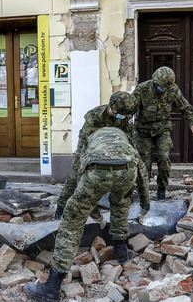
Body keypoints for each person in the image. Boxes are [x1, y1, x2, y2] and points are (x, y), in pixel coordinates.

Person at [25, 127, 150, 302]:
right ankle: (121, 253)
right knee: (121, 204)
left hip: (96, 169)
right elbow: (142, 172)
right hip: (127, 170)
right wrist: (145, 203)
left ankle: (51, 289)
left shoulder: (90, 139)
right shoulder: (126, 140)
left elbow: (78, 176)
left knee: (72, 223)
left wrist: (86, 210)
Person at [54, 91, 138, 220]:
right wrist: (82, 161)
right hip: (91, 145)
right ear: (113, 107)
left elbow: (129, 138)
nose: (123, 116)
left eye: (125, 114)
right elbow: (86, 143)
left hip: (116, 147)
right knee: (76, 175)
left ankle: (124, 208)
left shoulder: (127, 116)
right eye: (121, 114)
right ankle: (61, 206)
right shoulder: (95, 117)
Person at [133, 66, 193, 200]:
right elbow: (130, 108)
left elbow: (185, 107)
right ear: (155, 82)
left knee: (163, 158)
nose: (164, 89)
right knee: (144, 163)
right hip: (143, 130)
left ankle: (161, 188)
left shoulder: (172, 89)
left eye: (166, 87)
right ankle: (143, 192)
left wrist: (192, 122)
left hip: (162, 129)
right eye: (162, 87)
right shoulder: (142, 89)